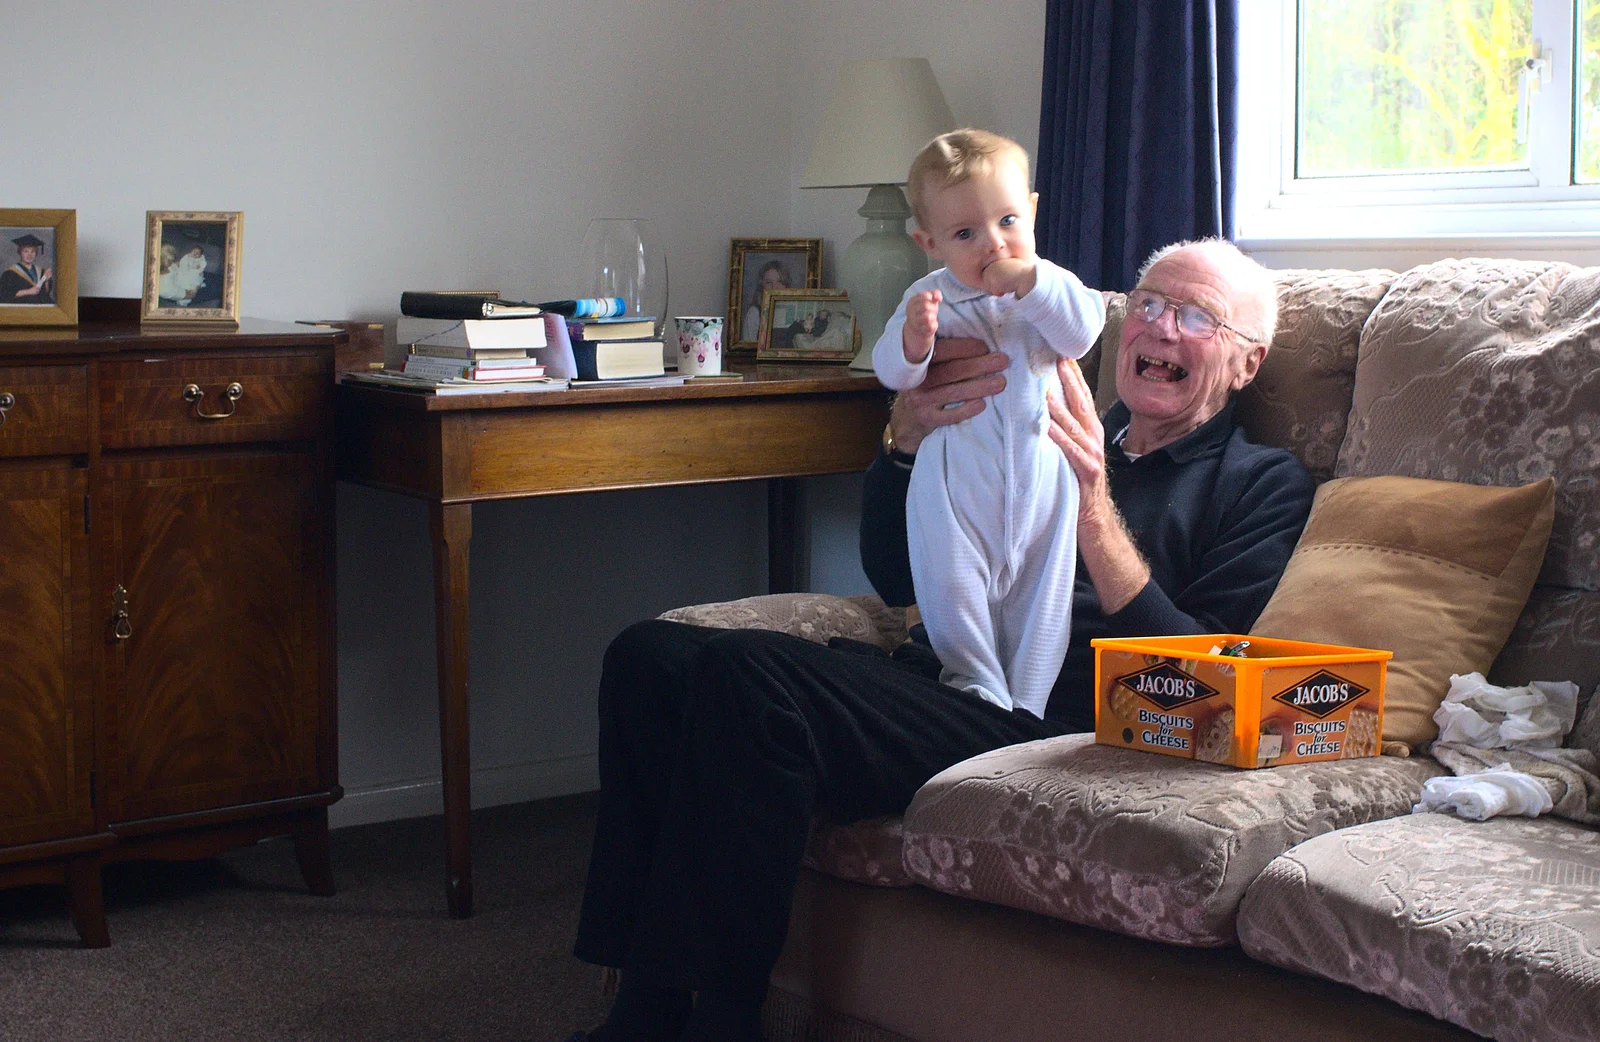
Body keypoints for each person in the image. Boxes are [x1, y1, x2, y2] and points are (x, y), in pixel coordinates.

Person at [568, 237, 1314, 1041]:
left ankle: (723, 1021)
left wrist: (1092, 501)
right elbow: (901, 579)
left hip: (1045, 717)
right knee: (650, 656)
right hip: (945, 677)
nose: (1162, 329)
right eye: (1150, 306)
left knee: (753, 675)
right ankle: (640, 1009)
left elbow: (1201, 673)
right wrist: (906, 443)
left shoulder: (1261, 483)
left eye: (1196, 316)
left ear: (1246, 363)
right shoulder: (1035, 423)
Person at [873, 128, 1104, 719]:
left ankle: (1026, 703)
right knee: (950, 586)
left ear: (1030, 211)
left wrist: (1033, 286)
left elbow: (1082, 332)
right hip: (955, 484)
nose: (993, 245)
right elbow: (892, 372)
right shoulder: (929, 297)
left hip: (1042, 478)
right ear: (931, 242)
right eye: (965, 234)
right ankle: (974, 682)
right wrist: (914, 341)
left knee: (1044, 594)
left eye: (1006, 221)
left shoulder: (1048, 284)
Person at [743, 259, 792, 342]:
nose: (774, 287)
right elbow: (748, 348)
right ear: (762, 286)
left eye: (779, 281)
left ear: (786, 284)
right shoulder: (754, 313)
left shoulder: (793, 309)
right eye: (769, 282)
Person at [0, 234, 54, 304]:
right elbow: (4, 295)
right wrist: (28, 291)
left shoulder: (41, 271)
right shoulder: (10, 273)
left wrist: (46, 280)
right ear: (20, 253)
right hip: (21, 309)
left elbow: (45, 294)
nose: (30, 255)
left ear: (36, 253)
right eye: (26, 251)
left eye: (33, 251)